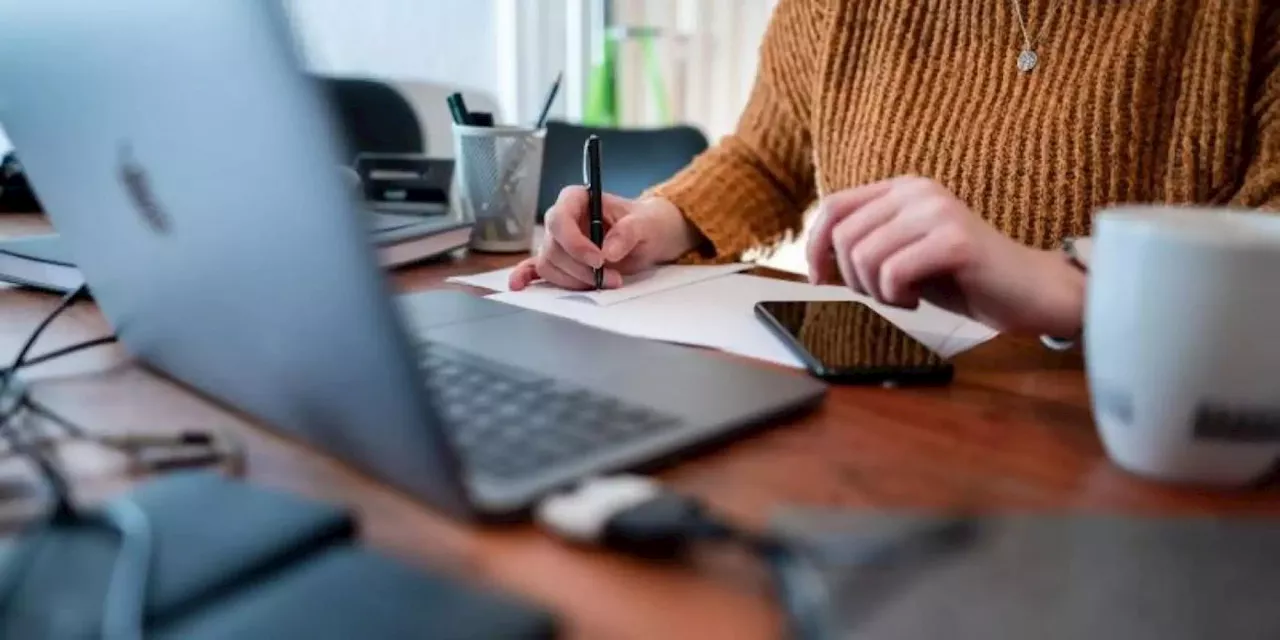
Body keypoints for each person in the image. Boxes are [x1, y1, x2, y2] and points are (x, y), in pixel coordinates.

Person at [512, 0, 1280, 339]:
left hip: (1129, 446)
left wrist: (1072, 286)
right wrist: (654, 221)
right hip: (876, 415)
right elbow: (767, 158)